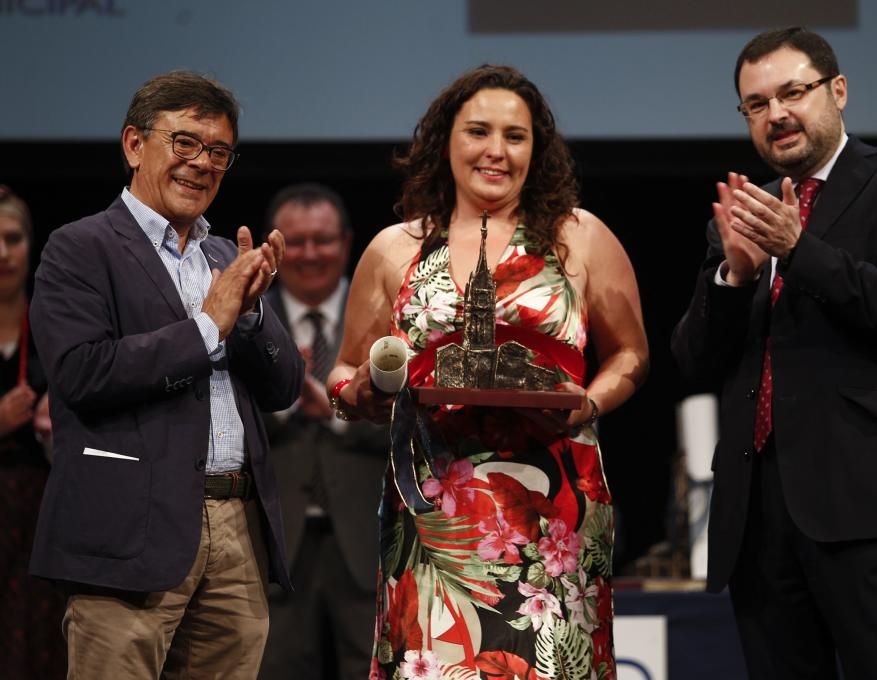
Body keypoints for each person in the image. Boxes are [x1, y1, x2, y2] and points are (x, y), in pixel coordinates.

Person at [329, 64, 648, 679]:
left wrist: (592, 401)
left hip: (552, 519)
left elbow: (631, 355)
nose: (496, 151)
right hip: (434, 518)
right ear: (446, 140)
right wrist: (358, 393)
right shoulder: (396, 248)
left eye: (516, 136)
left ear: (538, 149)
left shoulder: (579, 239)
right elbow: (344, 370)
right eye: (478, 131)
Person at [671, 27, 877, 680]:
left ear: (838, 91)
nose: (777, 114)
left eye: (792, 92)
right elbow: (696, 359)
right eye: (757, 104)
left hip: (865, 508)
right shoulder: (748, 212)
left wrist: (799, 252)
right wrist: (733, 279)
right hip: (757, 517)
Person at [28, 71, 304, 679]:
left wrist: (253, 314)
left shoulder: (226, 257)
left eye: (218, 152)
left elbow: (284, 389)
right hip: (130, 531)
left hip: (236, 528)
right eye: (184, 143)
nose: (201, 163)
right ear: (133, 145)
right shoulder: (80, 247)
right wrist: (208, 326)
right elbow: (81, 375)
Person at [257, 183, 387, 680]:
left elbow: (414, 418)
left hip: (367, 535)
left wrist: (336, 409)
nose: (311, 254)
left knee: (375, 669)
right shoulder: (249, 317)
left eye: (324, 240)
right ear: (275, 248)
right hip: (276, 543)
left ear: (347, 244)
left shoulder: (385, 315)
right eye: (297, 241)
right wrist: (287, 405)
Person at [0, 186, 66, 679]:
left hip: (45, 508)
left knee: (40, 642)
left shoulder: (55, 323)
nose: (2, 253)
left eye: (13, 238)